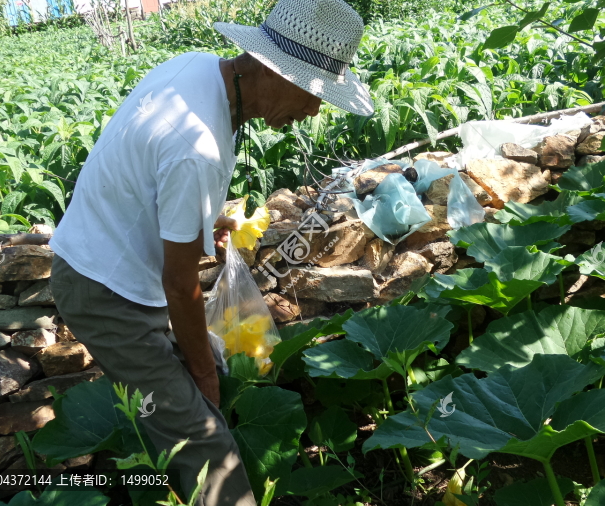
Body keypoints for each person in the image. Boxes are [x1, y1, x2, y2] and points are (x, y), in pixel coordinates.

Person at [47, 0, 373, 504]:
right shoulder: (197, 146)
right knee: (202, 439)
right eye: (313, 94)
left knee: (170, 416)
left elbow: (147, 172)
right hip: (105, 291)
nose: (313, 111)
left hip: (102, 262)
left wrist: (202, 219)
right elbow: (180, 285)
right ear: (271, 69)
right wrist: (203, 377)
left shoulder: (196, 67)